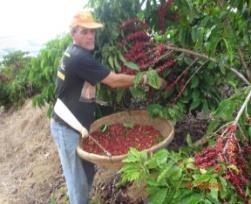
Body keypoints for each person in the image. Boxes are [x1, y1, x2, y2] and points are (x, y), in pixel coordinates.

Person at [50, 10, 164, 204]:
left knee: (86, 172)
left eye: (92, 32)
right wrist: (145, 78)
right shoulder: (80, 58)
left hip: (75, 128)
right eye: (84, 32)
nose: (90, 36)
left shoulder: (75, 53)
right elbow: (113, 81)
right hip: (67, 129)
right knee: (77, 185)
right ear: (73, 34)